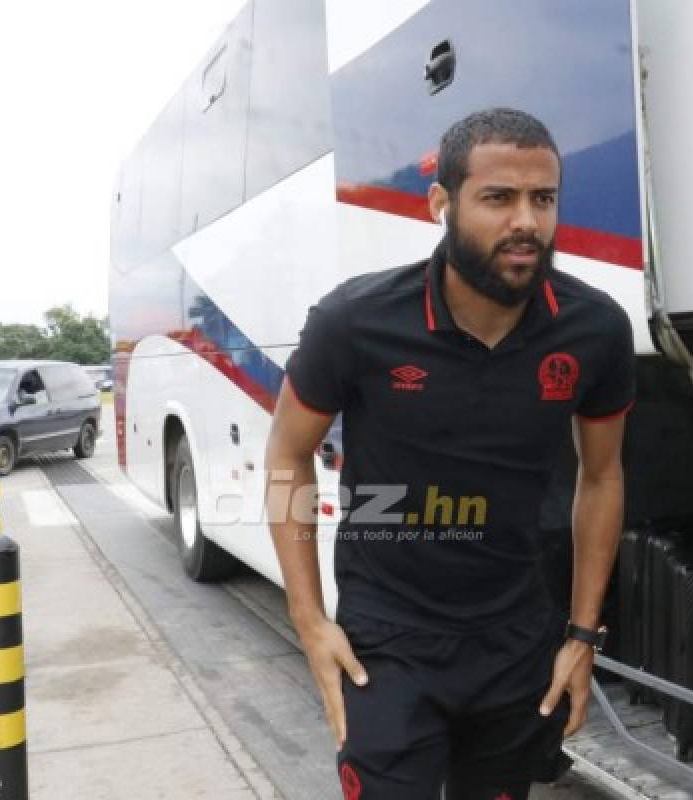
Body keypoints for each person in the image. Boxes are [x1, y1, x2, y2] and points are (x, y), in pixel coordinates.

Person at [264, 108, 636, 800]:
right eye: (498, 198)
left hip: (516, 640)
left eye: (543, 199)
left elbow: (603, 474)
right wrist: (310, 621)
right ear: (442, 203)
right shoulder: (356, 322)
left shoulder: (595, 330)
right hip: (388, 644)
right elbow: (288, 455)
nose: (526, 221)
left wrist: (583, 635)